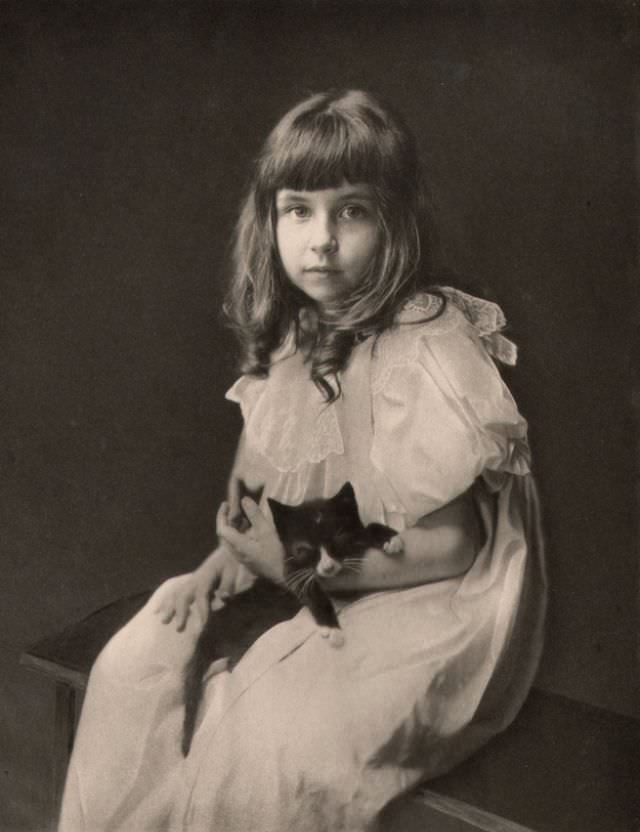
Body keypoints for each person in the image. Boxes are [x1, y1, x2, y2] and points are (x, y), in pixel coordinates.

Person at [59, 89, 547, 832]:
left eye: (351, 211)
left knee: (268, 737)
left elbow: (454, 546)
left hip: (438, 600)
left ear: (394, 223)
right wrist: (224, 562)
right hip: (330, 557)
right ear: (271, 220)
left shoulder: (426, 342)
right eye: (299, 210)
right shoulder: (297, 333)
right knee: (134, 663)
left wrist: (296, 560)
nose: (321, 239)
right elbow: (252, 498)